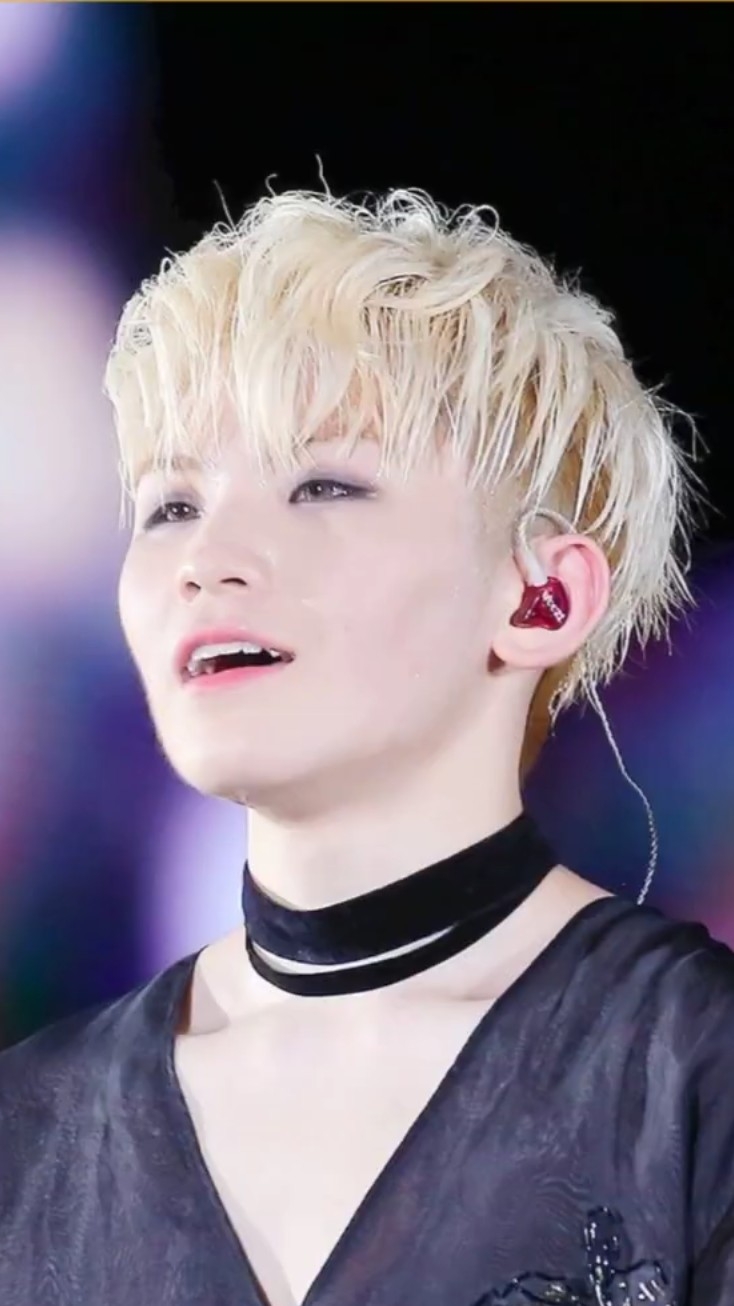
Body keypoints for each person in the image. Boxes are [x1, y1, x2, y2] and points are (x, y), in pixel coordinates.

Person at [0, 184, 730, 1306]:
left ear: (539, 597)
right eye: (171, 506)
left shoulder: (693, 1074)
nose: (207, 561)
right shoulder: (29, 1136)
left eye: (323, 484)